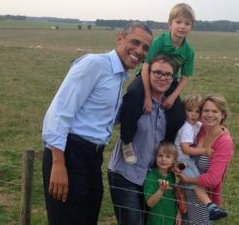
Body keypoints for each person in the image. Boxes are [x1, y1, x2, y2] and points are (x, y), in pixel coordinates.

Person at [41, 22, 153, 225]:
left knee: (87, 217)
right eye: (135, 42)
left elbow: (103, 116)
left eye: (145, 48)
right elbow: (58, 113)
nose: (140, 51)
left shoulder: (119, 75)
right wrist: (58, 164)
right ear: (120, 39)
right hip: (69, 153)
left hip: (92, 158)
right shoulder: (94, 64)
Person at [108, 54, 181, 225]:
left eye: (167, 74)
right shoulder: (134, 100)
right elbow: (106, 118)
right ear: (147, 74)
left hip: (153, 177)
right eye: (157, 73)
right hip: (126, 174)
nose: (162, 78)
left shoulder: (171, 109)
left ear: (172, 79)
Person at [120, 3, 195, 164]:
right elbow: (146, 66)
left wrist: (173, 97)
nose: (182, 26)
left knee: (178, 116)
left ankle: (164, 149)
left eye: (187, 23)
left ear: (191, 27)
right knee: (133, 96)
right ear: (170, 23)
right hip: (148, 75)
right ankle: (126, 141)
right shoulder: (160, 41)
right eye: (178, 22)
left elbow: (185, 76)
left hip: (169, 80)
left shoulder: (189, 51)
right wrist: (147, 96)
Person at [176, 94, 234, 225]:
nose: (209, 115)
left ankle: (212, 208)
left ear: (223, 114)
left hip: (201, 203)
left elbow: (213, 179)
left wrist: (188, 179)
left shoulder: (224, 142)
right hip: (184, 196)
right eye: (206, 110)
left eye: (214, 111)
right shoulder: (199, 129)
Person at [143, 142, 181, 225]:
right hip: (156, 221)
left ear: (174, 160)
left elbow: (176, 197)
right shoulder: (151, 176)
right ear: (155, 157)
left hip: (171, 219)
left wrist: (178, 213)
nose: (163, 159)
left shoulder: (173, 176)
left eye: (168, 157)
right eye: (160, 155)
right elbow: (150, 203)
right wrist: (161, 190)